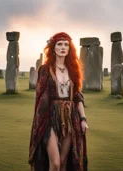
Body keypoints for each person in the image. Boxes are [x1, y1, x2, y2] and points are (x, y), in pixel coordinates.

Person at [29, 32, 88, 171]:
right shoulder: (45, 70)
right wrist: (41, 122)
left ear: (70, 49)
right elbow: (41, 97)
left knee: (63, 161)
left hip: (70, 118)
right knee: (54, 163)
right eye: (59, 44)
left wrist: (83, 119)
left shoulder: (73, 71)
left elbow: (77, 97)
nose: (63, 47)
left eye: (66, 45)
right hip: (50, 118)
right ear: (53, 48)